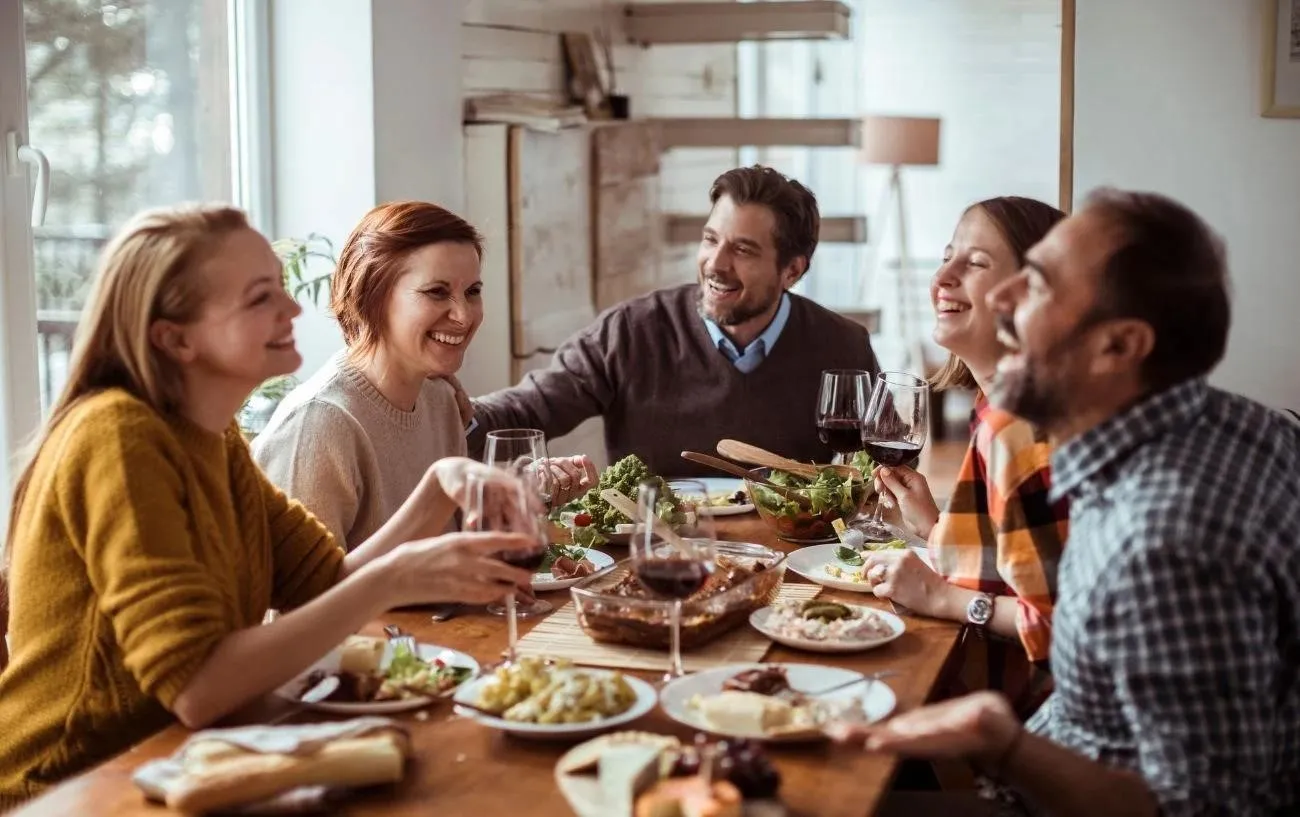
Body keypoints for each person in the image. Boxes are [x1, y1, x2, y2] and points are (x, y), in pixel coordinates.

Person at [0, 204, 541, 807]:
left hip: (186, 764)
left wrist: (436, 486)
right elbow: (198, 688)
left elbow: (325, 582)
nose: (293, 310)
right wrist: (395, 575)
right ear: (176, 338)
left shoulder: (211, 435)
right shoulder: (119, 437)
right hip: (73, 788)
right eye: (260, 299)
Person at [834, 189, 1300, 816]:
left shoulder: (1162, 542)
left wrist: (1000, 746)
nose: (1001, 299)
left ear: (1120, 346)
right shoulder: (1242, 424)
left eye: (1040, 286)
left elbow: (1201, 810)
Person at [466, 165, 881, 476]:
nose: (715, 264)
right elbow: (527, 408)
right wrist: (446, 409)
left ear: (791, 270)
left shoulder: (843, 345)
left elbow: (888, 460)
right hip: (656, 557)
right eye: (710, 239)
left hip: (792, 562)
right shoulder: (631, 331)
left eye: (743, 250)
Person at [252, 201, 594, 549]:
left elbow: (448, 544)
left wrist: (521, 495)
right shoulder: (318, 426)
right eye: (436, 292)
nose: (463, 315)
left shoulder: (440, 400)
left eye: (472, 292)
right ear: (372, 297)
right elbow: (302, 604)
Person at [862, 197, 1068, 713]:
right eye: (947, 256)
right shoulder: (996, 405)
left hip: (1012, 732)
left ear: (1033, 292)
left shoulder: (1020, 427)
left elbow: (1061, 631)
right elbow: (1020, 571)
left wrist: (939, 598)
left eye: (974, 263)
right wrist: (935, 526)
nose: (942, 277)